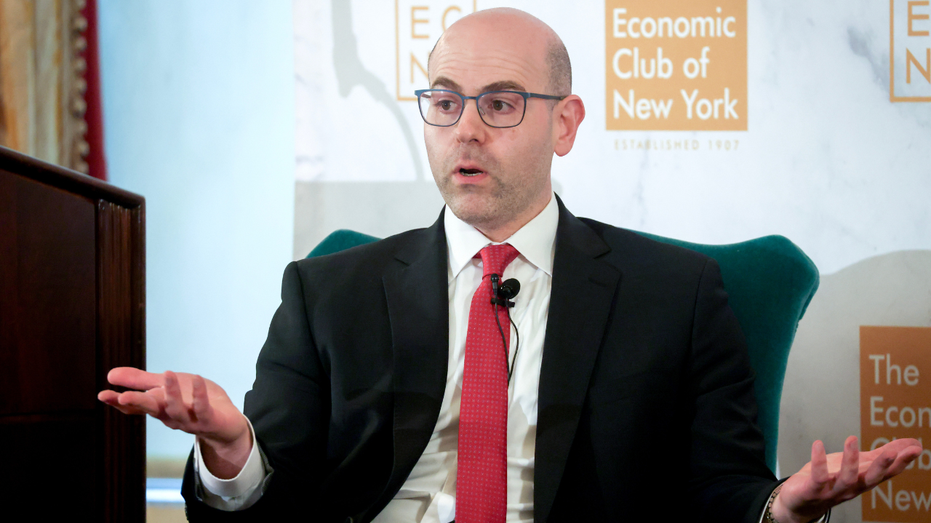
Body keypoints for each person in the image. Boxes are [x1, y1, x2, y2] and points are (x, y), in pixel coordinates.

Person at [99, 8, 921, 523]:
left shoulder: (674, 294)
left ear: (563, 124)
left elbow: (724, 490)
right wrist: (233, 450)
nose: (465, 128)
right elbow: (265, 508)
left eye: (499, 103)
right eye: (445, 101)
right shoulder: (327, 291)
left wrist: (783, 507)